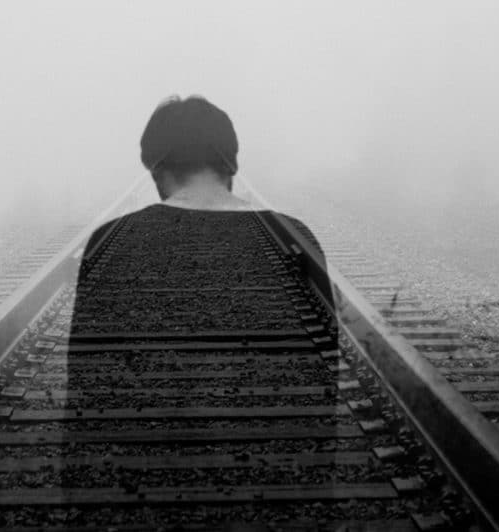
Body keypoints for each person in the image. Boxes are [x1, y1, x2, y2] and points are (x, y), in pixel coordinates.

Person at [58, 95, 337, 525]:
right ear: (231, 165)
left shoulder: (108, 241)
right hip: (279, 504)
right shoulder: (294, 237)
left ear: (156, 170)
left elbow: (84, 402)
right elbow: (324, 391)